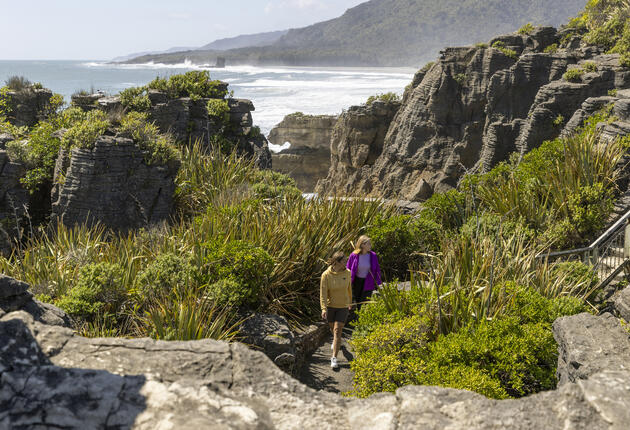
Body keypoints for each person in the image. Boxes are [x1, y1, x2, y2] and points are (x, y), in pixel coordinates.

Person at [320, 251, 352, 369]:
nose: (346, 263)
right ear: (337, 262)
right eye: (344, 261)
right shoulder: (326, 275)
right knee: (332, 329)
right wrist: (324, 308)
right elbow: (323, 293)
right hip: (330, 307)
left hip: (343, 306)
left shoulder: (348, 273)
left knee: (338, 331)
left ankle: (334, 358)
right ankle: (336, 342)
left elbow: (349, 289)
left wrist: (349, 302)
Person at [347, 235, 382, 312]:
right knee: (356, 302)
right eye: (368, 244)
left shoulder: (373, 255)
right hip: (356, 282)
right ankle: (355, 320)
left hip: (368, 281)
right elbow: (348, 268)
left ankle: (363, 320)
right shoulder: (354, 255)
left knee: (365, 303)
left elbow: (377, 269)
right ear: (362, 244)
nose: (370, 245)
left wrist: (378, 282)